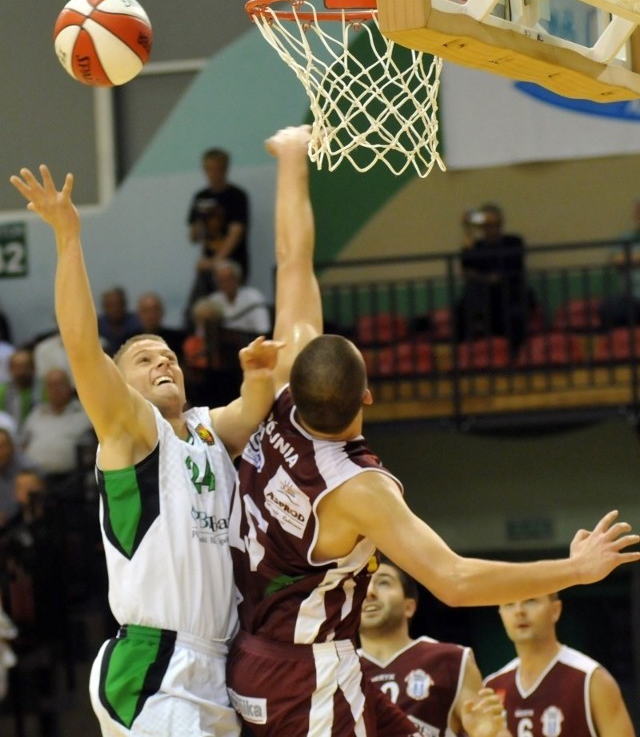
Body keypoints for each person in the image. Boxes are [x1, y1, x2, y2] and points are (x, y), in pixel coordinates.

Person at [226, 125, 640, 737]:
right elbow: (455, 580)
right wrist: (574, 571)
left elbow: (291, 260)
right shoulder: (355, 488)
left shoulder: (281, 392)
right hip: (304, 679)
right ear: (367, 394)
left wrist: (290, 157)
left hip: (270, 650)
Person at [10, 163, 283, 736]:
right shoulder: (134, 432)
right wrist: (67, 237)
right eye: (145, 359)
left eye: (170, 357)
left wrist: (258, 374)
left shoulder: (206, 429)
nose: (164, 361)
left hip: (220, 663)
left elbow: (250, 409)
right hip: (157, 665)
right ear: (122, 382)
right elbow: (84, 350)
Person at [359, 559, 511, 737]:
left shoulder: (450, 660)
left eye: (383, 582)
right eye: (362, 584)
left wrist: (489, 735)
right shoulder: (337, 669)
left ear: (409, 607)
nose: (369, 592)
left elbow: (492, 731)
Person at [484, 593, 636, 736]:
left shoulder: (591, 679)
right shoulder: (491, 687)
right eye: (509, 604)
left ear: (555, 610)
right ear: (501, 613)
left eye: (530, 600)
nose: (519, 611)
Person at [455, 204, 529, 351]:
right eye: (487, 225)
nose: (491, 229)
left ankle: (513, 352)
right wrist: (468, 230)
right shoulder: (477, 245)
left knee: (511, 313)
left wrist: (488, 277)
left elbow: (513, 268)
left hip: (510, 293)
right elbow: (467, 268)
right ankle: (466, 353)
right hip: (483, 294)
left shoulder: (513, 241)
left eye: (495, 225)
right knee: (461, 308)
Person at [187, 148, 250, 281]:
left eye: (217, 168)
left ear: (225, 169)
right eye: (209, 169)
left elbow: (236, 234)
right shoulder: (201, 197)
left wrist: (216, 261)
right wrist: (200, 217)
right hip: (207, 265)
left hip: (233, 264)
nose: (213, 173)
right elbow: (193, 237)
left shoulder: (237, 196)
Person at [21, 368, 93, 478]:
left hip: (73, 479)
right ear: (45, 390)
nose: (56, 389)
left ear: (70, 386)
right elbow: (22, 444)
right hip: (36, 478)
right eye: (51, 385)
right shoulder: (36, 414)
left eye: (60, 384)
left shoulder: (85, 414)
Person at [598, 198, 640, 330]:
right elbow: (617, 259)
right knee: (610, 307)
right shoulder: (627, 238)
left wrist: (633, 258)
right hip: (633, 298)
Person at [205, 259, 271, 335]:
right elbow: (202, 334)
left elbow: (263, 330)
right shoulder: (214, 301)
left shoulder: (253, 297)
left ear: (238, 279)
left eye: (229, 279)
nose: (226, 284)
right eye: (221, 281)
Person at [0, 348, 41, 435]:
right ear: (10, 369)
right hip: (10, 437)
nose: (22, 371)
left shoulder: (44, 388)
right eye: (17, 367)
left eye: (26, 366)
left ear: (34, 368)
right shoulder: (2, 391)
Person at [135, 292, 186, 361]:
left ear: (162, 312)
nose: (151, 315)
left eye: (155, 310)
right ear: (139, 314)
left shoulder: (177, 340)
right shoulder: (128, 342)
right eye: (146, 310)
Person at [97, 285, 142, 357]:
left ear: (124, 304)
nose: (115, 308)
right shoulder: (97, 326)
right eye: (111, 305)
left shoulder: (137, 323)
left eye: (118, 304)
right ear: (105, 306)